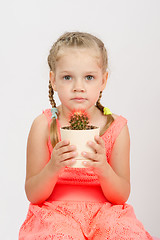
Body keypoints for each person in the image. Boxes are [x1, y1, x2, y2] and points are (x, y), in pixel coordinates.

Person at [19, 32, 153, 240]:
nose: (78, 87)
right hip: (55, 213)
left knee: (123, 235)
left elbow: (121, 195)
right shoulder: (43, 125)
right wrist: (53, 167)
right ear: (53, 80)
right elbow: (33, 194)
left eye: (89, 77)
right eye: (67, 77)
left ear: (103, 80)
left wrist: (103, 168)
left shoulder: (116, 127)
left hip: (106, 212)